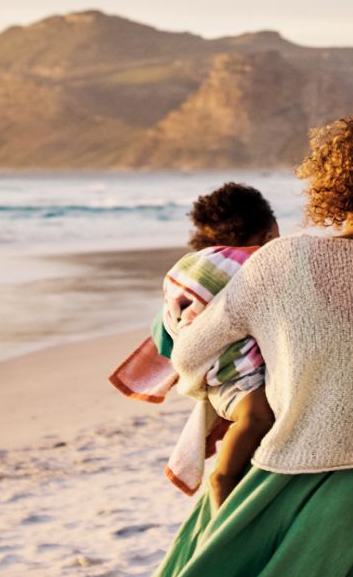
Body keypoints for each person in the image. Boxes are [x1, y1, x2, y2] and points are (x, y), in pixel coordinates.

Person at [4, 115, 353, 577]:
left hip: (285, 480)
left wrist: (243, 383)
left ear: (332, 188)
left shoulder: (279, 262)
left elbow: (187, 353)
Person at [107, 181, 280, 501]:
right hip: (232, 373)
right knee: (256, 416)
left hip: (208, 372)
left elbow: (165, 330)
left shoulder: (193, 267)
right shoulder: (253, 264)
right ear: (268, 232)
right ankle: (223, 479)